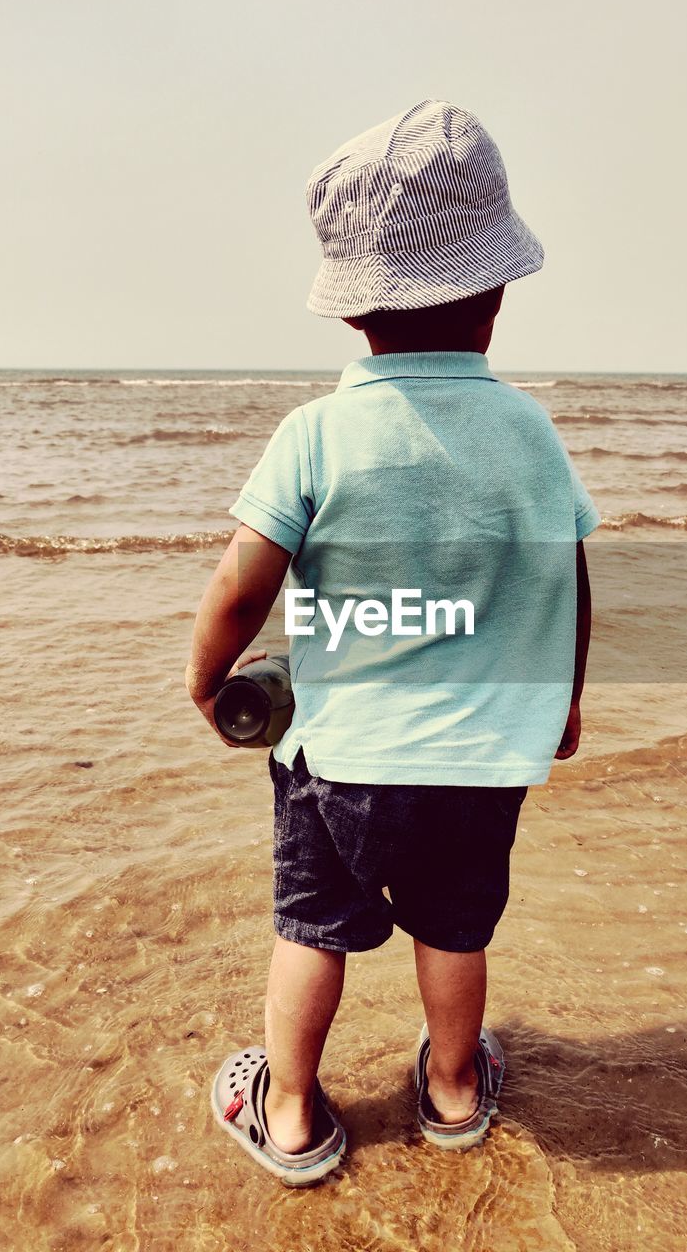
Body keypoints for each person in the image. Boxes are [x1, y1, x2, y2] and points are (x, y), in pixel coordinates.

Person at [185, 98, 599, 1186]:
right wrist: (560, 701)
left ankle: (287, 1114)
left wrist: (204, 676)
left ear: (350, 311)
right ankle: (456, 1091)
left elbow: (243, 583)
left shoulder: (315, 431)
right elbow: (569, 571)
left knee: (311, 929)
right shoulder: (528, 430)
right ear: (497, 299)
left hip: (342, 760)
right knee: (456, 928)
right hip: (478, 760)